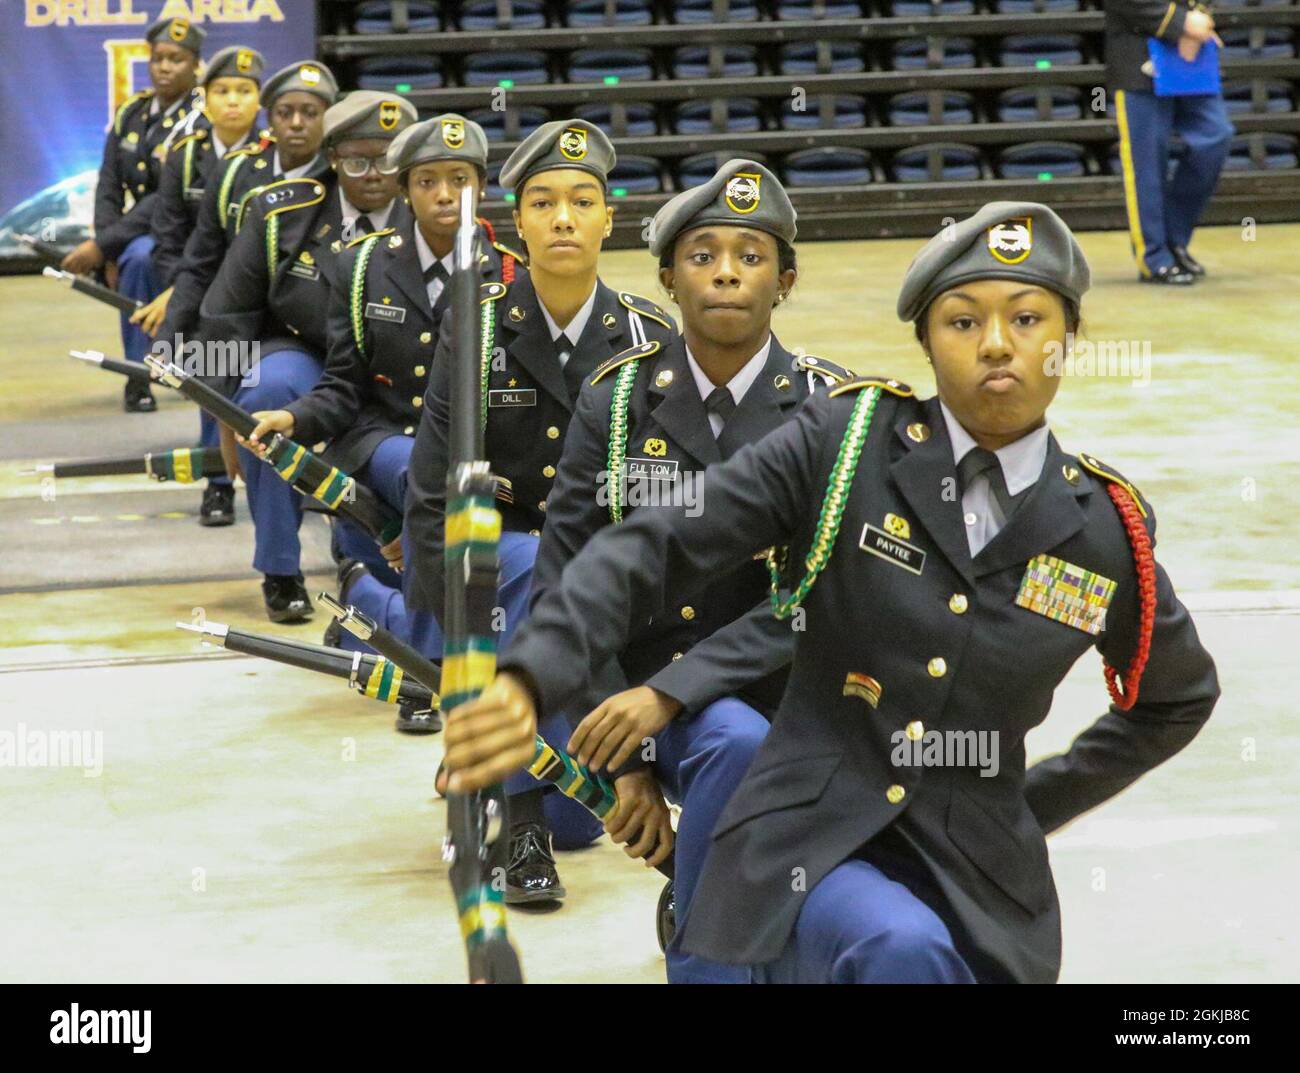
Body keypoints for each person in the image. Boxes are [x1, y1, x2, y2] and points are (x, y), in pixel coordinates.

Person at [442, 201, 1220, 983]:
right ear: (925, 341)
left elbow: (1175, 698)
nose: (995, 344)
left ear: (1066, 341)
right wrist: (528, 673)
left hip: (982, 875)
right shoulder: (846, 445)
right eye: (961, 321)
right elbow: (656, 544)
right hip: (805, 836)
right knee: (900, 948)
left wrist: (1032, 800)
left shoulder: (1101, 532)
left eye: (1026, 318)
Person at [530, 159, 850, 975]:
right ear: (668, 277)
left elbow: (820, 599)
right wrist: (623, 764)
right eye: (703, 254)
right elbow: (562, 586)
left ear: (785, 279)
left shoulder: (831, 410)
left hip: (784, 698)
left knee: (745, 740)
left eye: (751, 254)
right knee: (731, 743)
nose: (727, 273)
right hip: (635, 703)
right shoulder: (614, 402)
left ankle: (701, 913)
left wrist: (673, 692)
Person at [401, 118, 678, 904]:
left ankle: (515, 776)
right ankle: (519, 820)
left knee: (582, 820)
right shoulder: (478, 319)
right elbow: (431, 480)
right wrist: (441, 617)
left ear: (606, 219)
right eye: (545, 202)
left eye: (582, 201)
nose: (563, 217)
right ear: (516, 223)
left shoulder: (648, 336)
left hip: (610, 572)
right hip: (501, 564)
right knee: (524, 568)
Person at [242, 114, 517, 728]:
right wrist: (293, 414)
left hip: (470, 447)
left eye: (461, 180)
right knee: (428, 472)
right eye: (427, 181)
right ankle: (423, 676)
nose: (446, 196)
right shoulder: (361, 266)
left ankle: (368, 601)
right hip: (382, 440)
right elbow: (343, 387)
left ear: (482, 186)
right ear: (405, 188)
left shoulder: (508, 272)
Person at [200, 91, 417, 623]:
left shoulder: (431, 216)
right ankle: (280, 569)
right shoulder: (281, 212)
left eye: (388, 160)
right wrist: (224, 418)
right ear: (333, 157)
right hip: (304, 353)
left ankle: (376, 558)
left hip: (395, 368)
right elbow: (223, 315)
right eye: (357, 161)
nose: (373, 175)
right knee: (266, 392)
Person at [159, 59, 339, 527]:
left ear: (329, 118)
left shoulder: (343, 182)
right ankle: (218, 484)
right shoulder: (238, 172)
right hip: (232, 313)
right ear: (270, 116)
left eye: (310, 112)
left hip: (303, 327)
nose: (297, 124)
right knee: (207, 360)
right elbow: (199, 263)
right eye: (285, 112)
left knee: (258, 382)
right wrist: (171, 341)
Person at [62, 15, 204, 412]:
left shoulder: (199, 120)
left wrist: (103, 244)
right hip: (138, 232)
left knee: (142, 256)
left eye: (176, 59)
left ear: (195, 65)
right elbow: (109, 185)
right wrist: (108, 252)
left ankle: (165, 366)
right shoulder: (131, 114)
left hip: (189, 231)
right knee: (136, 256)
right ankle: (137, 373)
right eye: (158, 58)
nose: (164, 67)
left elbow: (164, 199)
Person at [1107, 0, 1233, 283]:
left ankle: (1173, 238)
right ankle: (1154, 256)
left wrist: (1199, 20)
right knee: (1148, 162)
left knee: (1215, 136)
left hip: (1191, 55)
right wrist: (1178, 23)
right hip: (1138, 57)